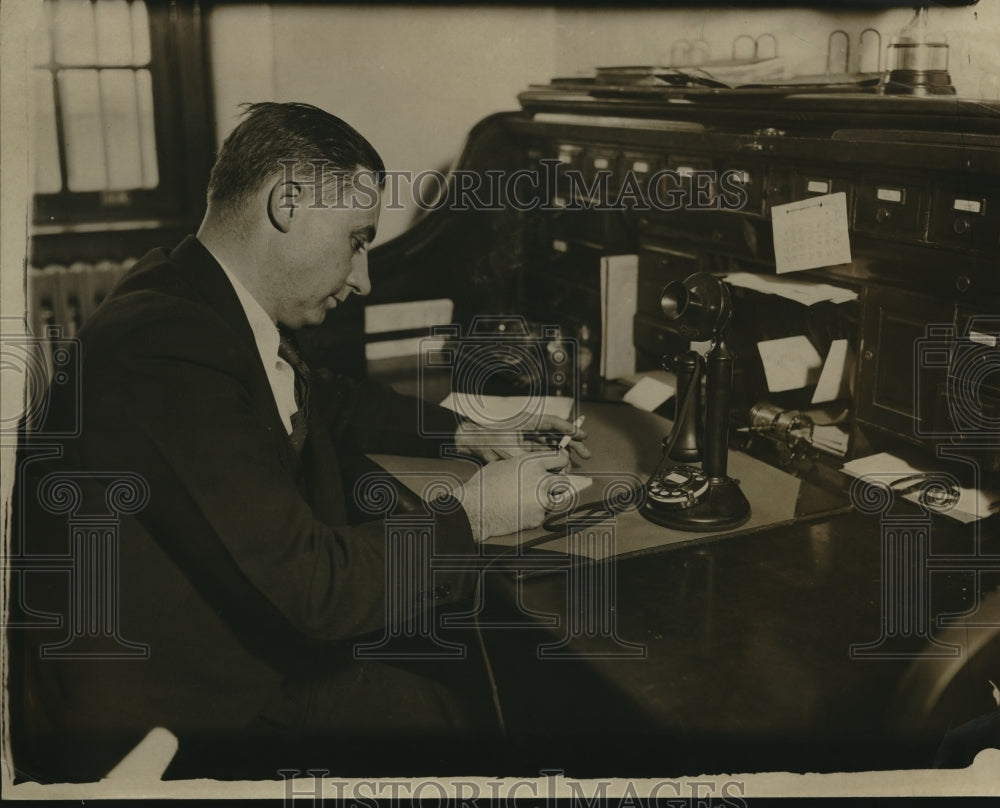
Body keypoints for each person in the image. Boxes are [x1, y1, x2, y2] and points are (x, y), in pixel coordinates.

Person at [13, 102, 587, 782]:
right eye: (357, 239)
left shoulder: (189, 293)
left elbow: (324, 397)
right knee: (466, 715)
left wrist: (465, 428)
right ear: (287, 202)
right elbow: (314, 590)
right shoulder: (164, 350)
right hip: (172, 719)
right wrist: (479, 514)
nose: (362, 277)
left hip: (201, 661)